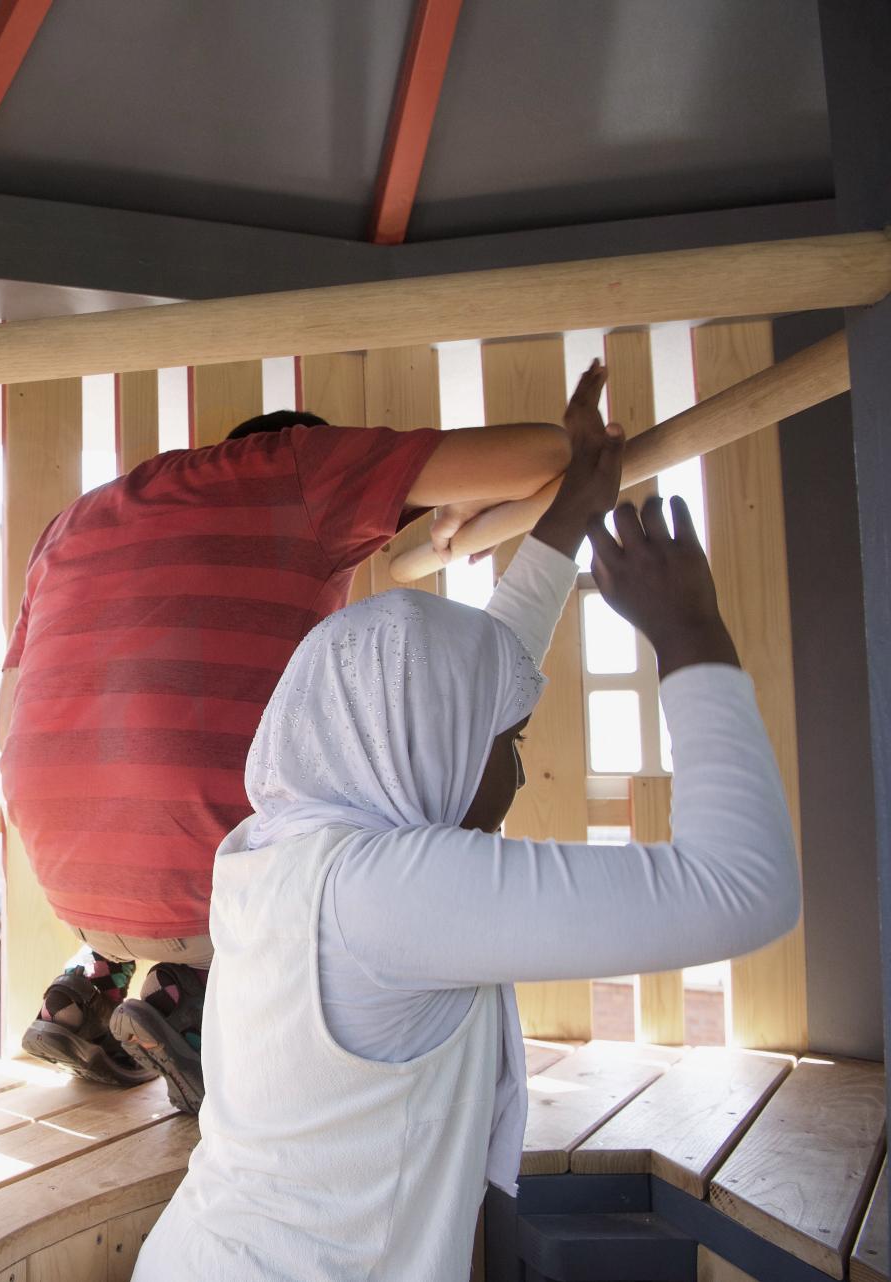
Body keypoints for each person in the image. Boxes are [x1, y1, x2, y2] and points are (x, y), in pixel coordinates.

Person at [135, 397, 799, 1279]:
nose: (515, 765)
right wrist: (691, 634)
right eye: (509, 739)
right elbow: (744, 891)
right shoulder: (384, 897)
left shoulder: (276, 854)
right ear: (429, 744)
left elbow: (474, 675)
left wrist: (572, 514)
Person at [0, 381, 594, 1112]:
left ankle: (86, 991)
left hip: (72, 880)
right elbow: (548, 455)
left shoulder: (70, 523)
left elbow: (8, 719)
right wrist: (467, 498)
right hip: (213, 896)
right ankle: (194, 999)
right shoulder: (298, 468)